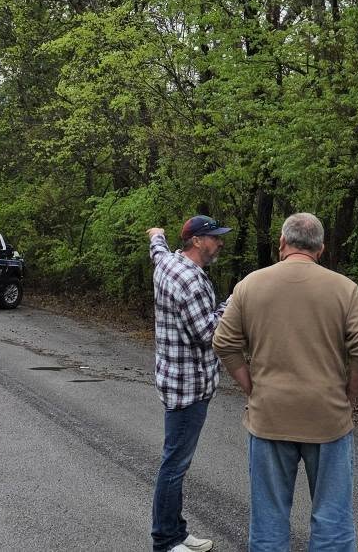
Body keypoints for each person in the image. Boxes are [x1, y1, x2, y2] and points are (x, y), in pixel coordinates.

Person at [213, 212, 358, 552]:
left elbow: (224, 343)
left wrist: (251, 387)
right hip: (328, 417)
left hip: (269, 416)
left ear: (282, 243)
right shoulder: (343, 288)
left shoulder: (250, 285)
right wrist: (349, 395)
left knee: (269, 523)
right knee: (332, 523)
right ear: (320, 249)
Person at [148, 216, 232, 552]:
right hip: (188, 389)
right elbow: (208, 334)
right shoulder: (191, 281)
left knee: (176, 462)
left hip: (174, 379)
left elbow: (157, 249)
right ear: (197, 241)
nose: (220, 242)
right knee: (174, 466)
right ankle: (166, 540)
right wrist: (233, 302)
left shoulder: (168, 263)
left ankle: (176, 531)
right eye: (214, 237)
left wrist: (156, 234)